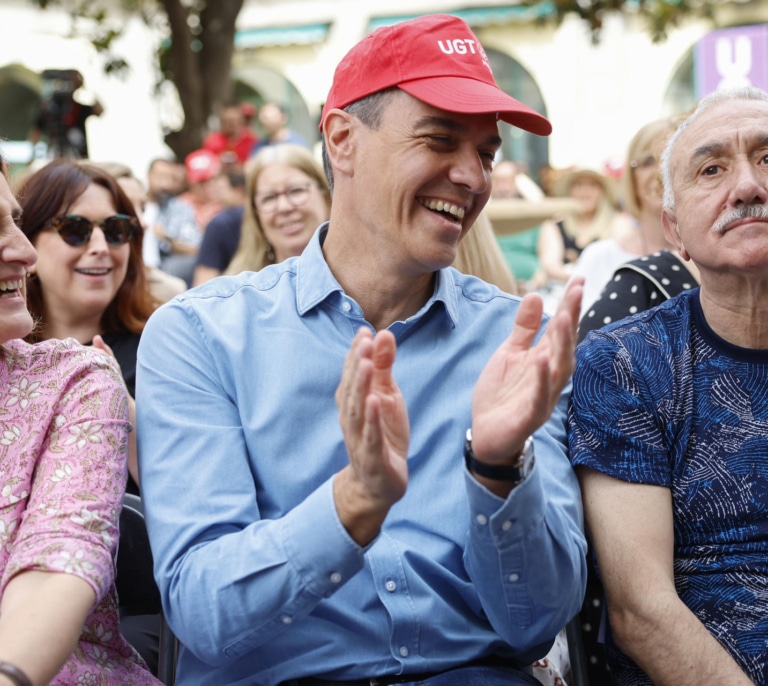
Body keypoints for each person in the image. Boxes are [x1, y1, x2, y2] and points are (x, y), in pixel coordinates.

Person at [138, 14, 586, 685]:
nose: (471, 177)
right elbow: (204, 613)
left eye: (487, 154)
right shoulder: (201, 336)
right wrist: (354, 503)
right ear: (342, 140)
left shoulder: (513, 342)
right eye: (439, 140)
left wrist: (496, 469)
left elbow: (537, 621)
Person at [569, 86, 768, 686]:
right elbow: (641, 611)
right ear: (674, 231)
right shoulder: (626, 362)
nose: (748, 187)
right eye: (712, 169)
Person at [0, 154, 160, 685]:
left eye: (117, 229)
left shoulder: (160, 353)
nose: (99, 246)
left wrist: (135, 430)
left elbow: (63, 554)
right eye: (74, 228)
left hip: (125, 614)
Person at [577, 117, 696, 342]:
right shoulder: (600, 256)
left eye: (669, 159)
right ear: (631, 178)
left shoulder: (711, 258)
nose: (660, 173)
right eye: (648, 162)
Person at [217, 143, 331, 280]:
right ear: (256, 213)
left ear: (325, 194)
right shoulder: (240, 291)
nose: (283, 207)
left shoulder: (358, 279)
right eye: (269, 198)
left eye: (296, 190)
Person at [28, 69, 103, 160]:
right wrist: (33, 155)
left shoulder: (78, 108)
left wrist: (85, 87)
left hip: (78, 155)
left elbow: (100, 110)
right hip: (54, 155)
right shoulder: (47, 110)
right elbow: (36, 132)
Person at [203, 102, 259, 167]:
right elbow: (205, 162)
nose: (231, 124)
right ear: (222, 122)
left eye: (234, 121)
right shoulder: (213, 140)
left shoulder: (251, 141)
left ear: (241, 121)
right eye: (227, 121)